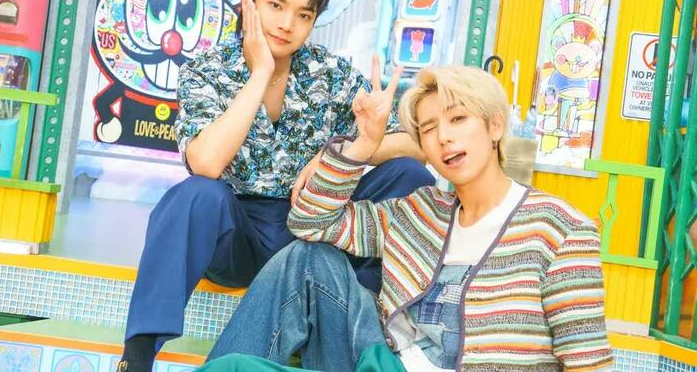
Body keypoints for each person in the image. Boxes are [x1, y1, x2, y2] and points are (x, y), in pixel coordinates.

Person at [117, 0, 433, 372]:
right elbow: (206, 163)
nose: (287, 24)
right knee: (195, 194)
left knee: (407, 174)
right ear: (248, 3)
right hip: (238, 235)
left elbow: (417, 144)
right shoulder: (208, 70)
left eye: (303, 14)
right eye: (276, 6)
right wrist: (260, 73)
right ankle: (137, 355)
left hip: (317, 228)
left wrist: (339, 153)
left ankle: (357, 314)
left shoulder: (329, 73)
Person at [203, 64, 613, 371]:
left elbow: (589, 364)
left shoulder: (559, 229)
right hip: (381, 362)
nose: (444, 137)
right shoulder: (418, 213)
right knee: (301, 268)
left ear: (494, 126)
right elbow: (310, 223)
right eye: (429, 129)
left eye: (458, 119)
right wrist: (363, 146)